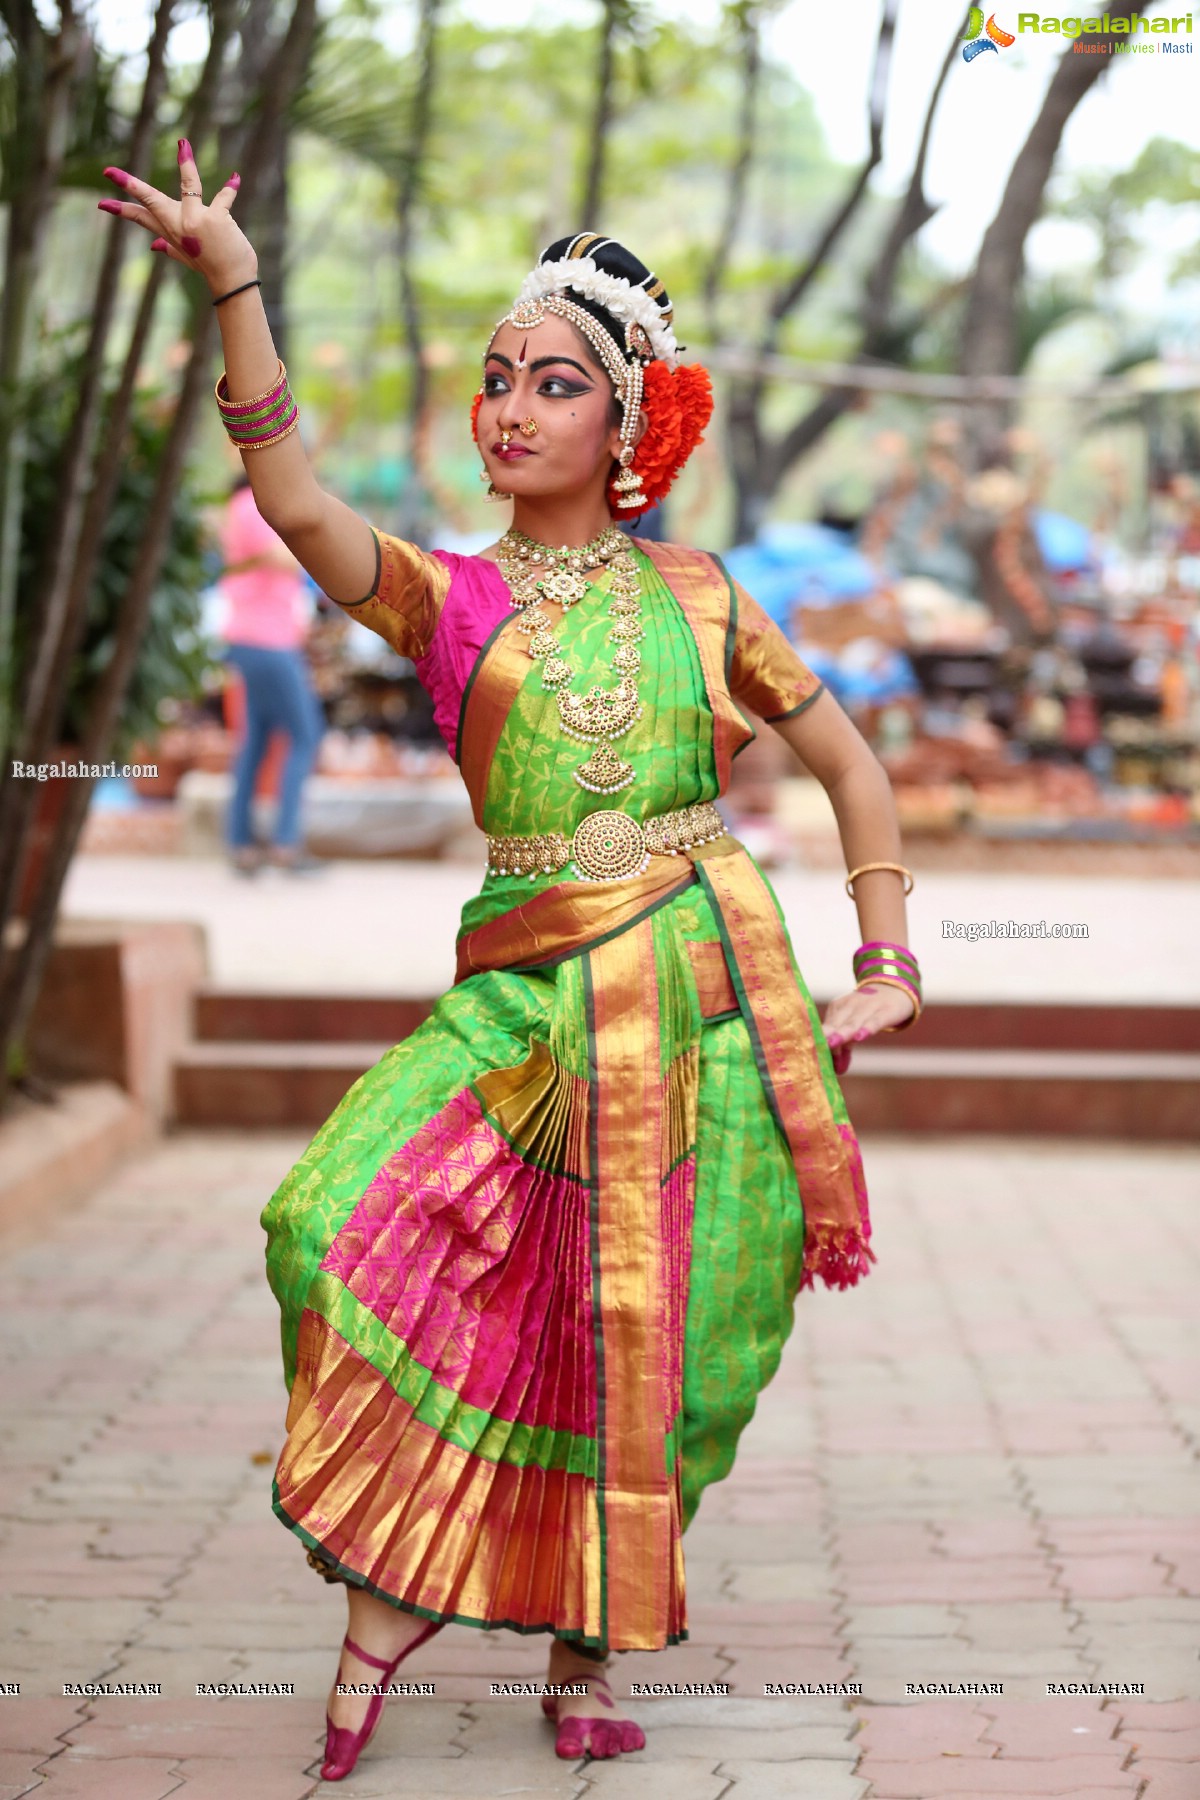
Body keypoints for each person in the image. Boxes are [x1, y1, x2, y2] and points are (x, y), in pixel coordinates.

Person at [98, 148, 922, 1779]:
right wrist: (233, 286)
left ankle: (575, 1653)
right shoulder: (450, 599)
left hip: (695, 999)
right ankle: (394, 1585)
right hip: (524, 1006)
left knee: (643, 1326)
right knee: (334, 1224)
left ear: (624, 425)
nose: (512, 409)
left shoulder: (702, 598)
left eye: (554, 383)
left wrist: (886, 951)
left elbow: (852, 771)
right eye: (497, 381)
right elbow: (296, 503)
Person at [216, 471, 325, 874]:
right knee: (305, 735)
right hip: (268, 641)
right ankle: (284, 843)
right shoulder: (254, 507)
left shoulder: (238, 507)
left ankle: (241, 842)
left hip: (251, 637)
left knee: (256, 741)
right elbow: (285, 557)